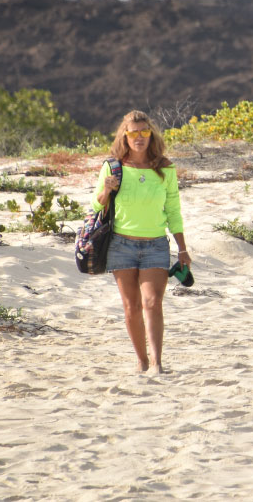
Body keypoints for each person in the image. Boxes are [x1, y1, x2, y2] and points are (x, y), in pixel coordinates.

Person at [93, 110, 190, 374]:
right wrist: (107, 190)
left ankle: (157, 363)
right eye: (133, 133)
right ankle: (142, 360)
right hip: (121, 245)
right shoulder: (113, 167)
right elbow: (96, 204)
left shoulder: (165, 168)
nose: (139, 138)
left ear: (151, 134)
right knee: (131, 307)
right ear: (125, 135)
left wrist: (182, 248)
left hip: (155, 245)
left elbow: (173, 210)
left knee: (152, 303)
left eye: (144, 132)